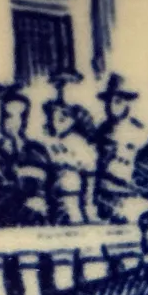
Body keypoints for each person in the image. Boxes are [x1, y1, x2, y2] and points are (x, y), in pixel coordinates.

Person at [0, 85, 54, 227]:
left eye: (21, 116)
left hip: (35, 224)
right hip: (2, 223)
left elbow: (49, 189)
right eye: (9, 116)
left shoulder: (37, 151)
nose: (15, 122)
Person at [91, 73, 148, 223]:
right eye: (108, 102)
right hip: (105, 194)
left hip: (130, 194)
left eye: (117, 101)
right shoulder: (101, 130)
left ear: (127, 103)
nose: (111, 106)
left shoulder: (140, 132)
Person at [42, 96, 98, 224]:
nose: (56, 123)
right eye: (52, 118)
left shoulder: (80, 143)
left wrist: (89, 209)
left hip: (72, 200)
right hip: (51, 199)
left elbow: (89, 180)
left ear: (72, 120)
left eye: (62, 118)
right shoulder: (47, 141)